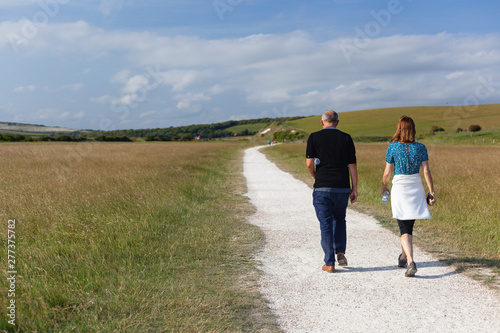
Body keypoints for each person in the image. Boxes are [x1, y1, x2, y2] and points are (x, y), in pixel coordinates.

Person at [381, 116, 436, 277]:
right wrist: (431, 192)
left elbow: (387, 172)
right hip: (416, 186)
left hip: (400, 187)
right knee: (408, 225)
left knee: (404, 226)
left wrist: (384, 186)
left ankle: (411, 261)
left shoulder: (392, 147)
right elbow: (426, 171)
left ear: (399, 129)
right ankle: (403, 257)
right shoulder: (421, 147)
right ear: (413, 129)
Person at [306, 110, 358, 273]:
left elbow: (309, 164)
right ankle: (340, 253)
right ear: (337, 122)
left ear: (322, 122)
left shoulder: (314, 137)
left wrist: (315, 176)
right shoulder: (346, 138)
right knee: (340, 219)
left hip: (322, 187)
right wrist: (354, 188)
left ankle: (329, 263)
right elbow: (352, 166)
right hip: (342, 187)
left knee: (326, 224)